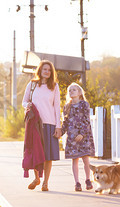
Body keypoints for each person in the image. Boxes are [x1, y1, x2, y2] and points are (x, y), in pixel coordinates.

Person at [22, 60, 62, 191]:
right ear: (40, 70)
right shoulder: (32, 85)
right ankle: (36, 178)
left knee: (48, 156)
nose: (47, 72)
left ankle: (45, 182)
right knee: (36, 153)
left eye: (49, 70)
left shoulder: (54, 86)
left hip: (49, 124)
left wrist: (58, 126)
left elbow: (57, 107)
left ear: (52, 73)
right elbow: (24, 101)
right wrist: (27, 105)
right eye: (45, 69)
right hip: (35, 124)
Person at [61, 82, 95, 191]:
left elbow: (86, 120)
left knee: (85, 158)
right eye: (70, 90)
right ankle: (77, 182)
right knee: (74, 159)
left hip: (84, 136)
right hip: (72, 137)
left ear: (79, 92)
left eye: (74, 89)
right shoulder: (67, 107)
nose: (71, 91)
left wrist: (82, 133)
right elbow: (65, 122)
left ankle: (88, 179)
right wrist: (60, 132)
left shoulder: (84, 104)